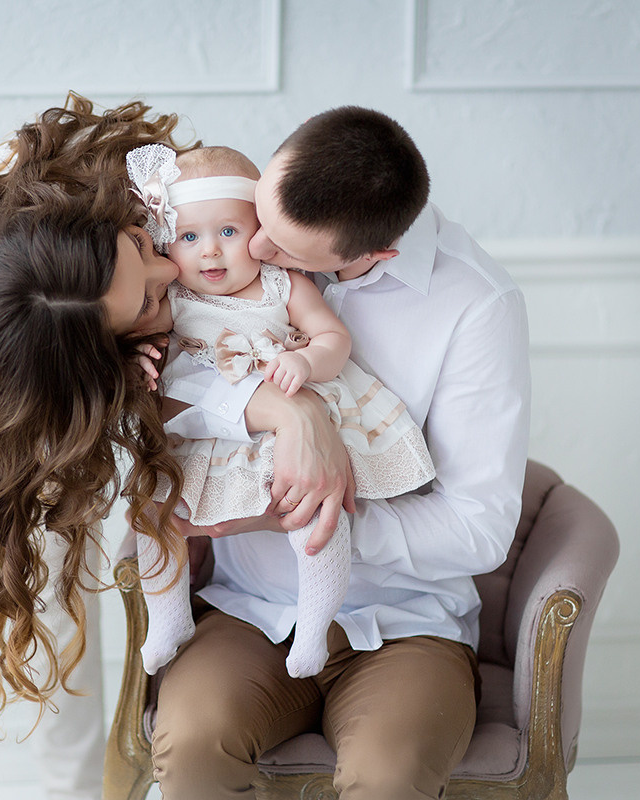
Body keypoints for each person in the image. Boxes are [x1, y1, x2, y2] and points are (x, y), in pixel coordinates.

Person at [0, 94, 341, 800]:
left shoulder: (114, 201)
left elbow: (220, 283)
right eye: (145, 304)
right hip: (26, 394)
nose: (174, 273)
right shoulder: (47, 361)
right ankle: (76, 788)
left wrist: (294, 409)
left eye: (142, 249)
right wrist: (139, 383)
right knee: (55, 582)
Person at [149, 107, 531, 800]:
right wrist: (288, 413)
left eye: (287, 253)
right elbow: (162, 391)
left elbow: (481, 528)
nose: (254, 250)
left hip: (404, 623)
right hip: (249, 608)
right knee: (194, 747)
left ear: (374, 255)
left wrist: (297, 515)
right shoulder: (231, 243)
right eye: (258, 214)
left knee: (387, 778)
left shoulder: (476, 306)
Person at [124, 143, 434, 680]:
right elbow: (134, 332)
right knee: (153, 509)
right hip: (212, 439)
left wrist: (309, 361)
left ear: (260, 233)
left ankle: (315, 625)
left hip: (288, 414)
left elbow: (333, 336)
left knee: (311, 504)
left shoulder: (283, 284)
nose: (210, 254)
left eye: (228, 232)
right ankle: (168, 617)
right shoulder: (174, 297)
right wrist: (136, 355)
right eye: (189, 237)